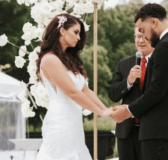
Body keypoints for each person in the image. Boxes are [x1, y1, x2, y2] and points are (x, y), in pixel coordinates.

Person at [109, 3, 168, 160]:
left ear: (153, 22)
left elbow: (156, 91)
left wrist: (127, 111)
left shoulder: (166, 45)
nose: (143, 37)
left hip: (158, 128)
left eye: (143, 30)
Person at [36, 14, 112, 160]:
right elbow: (72, 92)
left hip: (74, 123)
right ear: (62, 31)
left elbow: (84, 90)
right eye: (76, 32)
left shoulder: (69, 60)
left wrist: (105, 109)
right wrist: (100, 113)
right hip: (60, 123)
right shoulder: (50, 59)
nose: (78, 38)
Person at [108, 26, 155, 160]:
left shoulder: (162, 63)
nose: (141, 41)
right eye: (138, 36)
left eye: (145, 37)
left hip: (152, 131)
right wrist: (128, 81)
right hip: (126, 132)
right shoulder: (123, 64)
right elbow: (113, 95)